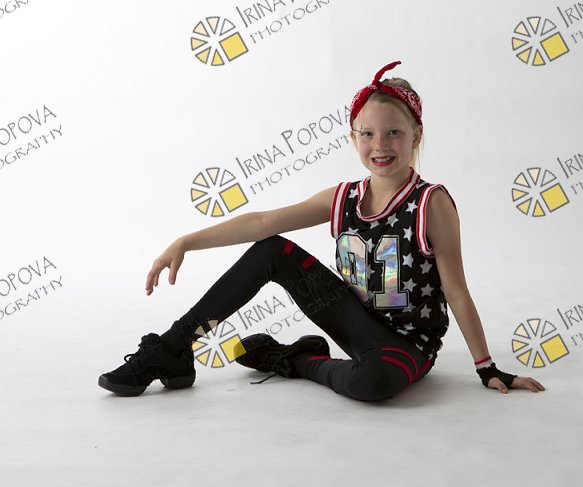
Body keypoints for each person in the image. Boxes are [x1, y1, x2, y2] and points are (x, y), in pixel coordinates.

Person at [98, 61, 545, 401]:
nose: (380, 145)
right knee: (270, 249)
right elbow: (262, 222)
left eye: (393, 132)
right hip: (353, 322)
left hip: (407, 346)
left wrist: (487, 367)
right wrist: (186, 242)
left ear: (416, 135)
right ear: (353, 138)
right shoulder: (343, 197)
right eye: (367, 134)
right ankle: (173, 349)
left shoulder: (431, 203)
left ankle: (297, 360)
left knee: (373, 385)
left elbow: (457, 292)